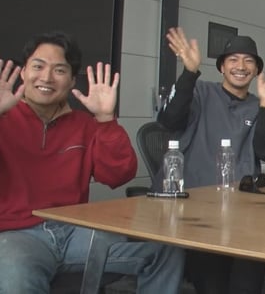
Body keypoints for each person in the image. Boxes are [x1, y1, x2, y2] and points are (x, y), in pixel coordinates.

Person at [0, 31, 184, 293]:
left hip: (76, 231)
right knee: (15, 277)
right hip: (16, 235)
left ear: (72, 81)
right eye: (38, 67)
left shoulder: (84, 125)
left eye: (59, 70)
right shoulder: (5, 117)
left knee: (165, 250)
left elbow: (119, 175)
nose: (47, 77)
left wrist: (106, 120)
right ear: (23, 72)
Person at [158, 27, 265, 294]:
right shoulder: (200, 92)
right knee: (212, 283)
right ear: (221, 67)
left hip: (245, 211)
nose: (241, 66)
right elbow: (168, 120)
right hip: (198, 207)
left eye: (249, 61)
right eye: (233, 59)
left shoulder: (258, 105)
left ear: (256, 70)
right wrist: (189, 73)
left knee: (248, 282)